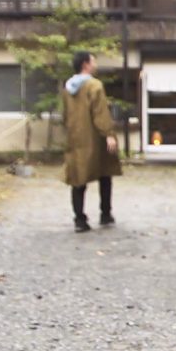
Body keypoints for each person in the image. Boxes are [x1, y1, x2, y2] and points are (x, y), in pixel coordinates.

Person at [62, 50, 122, 232]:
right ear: (86, 64)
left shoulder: (67, 88)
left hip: (75, 137)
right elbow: (100, 113)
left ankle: (79, 219)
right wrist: (109, 134)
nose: (95, 64)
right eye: (93, 61)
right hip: (95, 137)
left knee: (78, 177)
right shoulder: (94, 85)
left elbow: (65, 115)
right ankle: (105, 214)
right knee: (105, 173)